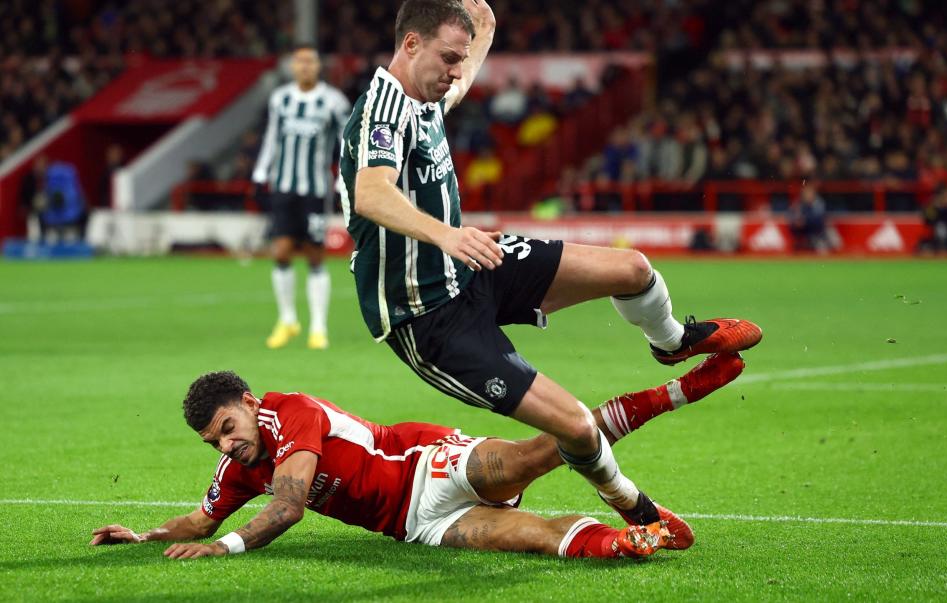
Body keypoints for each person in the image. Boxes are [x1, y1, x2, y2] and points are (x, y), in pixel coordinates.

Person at [338, 0, 762, 533]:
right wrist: (448, 234)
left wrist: (484, 33)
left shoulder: (426, 93)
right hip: (427, 318)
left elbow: (461, 81)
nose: (455, 71)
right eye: (449, 58)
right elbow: (372, 193)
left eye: (460, 59)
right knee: (576, 427)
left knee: (633, 269)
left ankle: (672, 342)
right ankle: (633, 505)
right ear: (411, 45)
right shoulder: (381, 110)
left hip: (473, 267)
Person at [89, 353, 745, 560]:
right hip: (417, 522)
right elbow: (201, 519)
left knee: (538, 455)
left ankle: (677, 388)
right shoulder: (239, 463)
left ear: (248, 402)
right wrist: (143, 533)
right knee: (534, 539)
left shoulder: (290, 412)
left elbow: (287, 506)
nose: (227, 445)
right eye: (214, 441)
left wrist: (227, 548)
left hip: (423, 460)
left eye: (227, 427)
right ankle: (641, 533)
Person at [252, 45, 351, 350]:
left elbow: (346, 140)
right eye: (299, 61)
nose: (304, 66)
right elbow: (272, 137)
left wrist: (342, 182)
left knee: (314, 255)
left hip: (315, 189)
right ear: (292, 66)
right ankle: (288, 320)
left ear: (318, 66)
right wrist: (260, 172)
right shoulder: (280, 99)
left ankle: (318, 327)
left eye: (310, 61)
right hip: (283, 185)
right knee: (280, 251)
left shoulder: (332, 101)